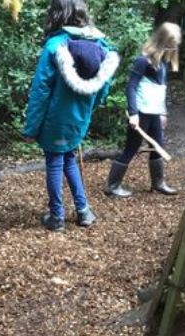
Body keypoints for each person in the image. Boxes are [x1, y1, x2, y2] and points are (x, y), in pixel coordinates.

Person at [23, 0, 119, 232]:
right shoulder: (101, 46)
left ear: (57, 15)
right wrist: (89, 108)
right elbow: (103, 87)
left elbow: (41, 91)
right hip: (79, 119)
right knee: (68, 160)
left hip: (55, 121)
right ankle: (83, 211)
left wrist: (31, 128)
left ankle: (57, 217)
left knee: (55, 163)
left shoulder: (55, 45)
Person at [104, 22, 182, 198]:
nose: (173, 48)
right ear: (162, 41)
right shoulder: (142, 61)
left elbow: (160, 88)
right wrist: (133, 114)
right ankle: (112, 185)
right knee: (131, 148)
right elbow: (130, 87)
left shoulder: (161, 63)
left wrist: (163, 112)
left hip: (154, 112)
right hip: (141, 113)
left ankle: (158, 183)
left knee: (157, 146)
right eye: (171, 44)